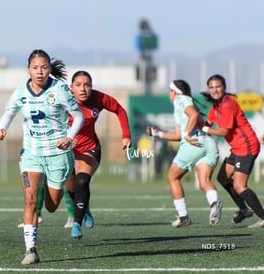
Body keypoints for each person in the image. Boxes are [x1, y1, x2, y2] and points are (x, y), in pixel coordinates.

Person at [0, 49, 84, 264]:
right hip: (31, 154)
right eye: (35, 68)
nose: (40, 72)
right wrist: (2, 128)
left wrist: (70, 137)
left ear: (49, 69)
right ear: (29, 70)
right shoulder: (20, 92)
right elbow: (9, 111)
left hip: (57, 154)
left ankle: (61, 186)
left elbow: (78, 116)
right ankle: (31, 250)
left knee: (52, 206)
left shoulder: (60, 89)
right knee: (30, 199)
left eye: (44, 67)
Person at [65, 70, 132, 239]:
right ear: (71, 88)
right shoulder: (62, 99)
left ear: (91, 87)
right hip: (65, 149)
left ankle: (77, 224)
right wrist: (65, 137)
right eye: (78, 85)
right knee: (71, 188)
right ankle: (84, 207)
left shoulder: (98, 98)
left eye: (87, 85)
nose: (83, 89)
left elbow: (120, 110)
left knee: (82, 180)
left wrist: (126, 136)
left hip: (89, 147)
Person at [147, 80, 223, 228]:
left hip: (194, 144)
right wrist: (158, 134)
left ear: (174, 92)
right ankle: (214, 203)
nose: (169, 94)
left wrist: (187, 133)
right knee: (204, 182)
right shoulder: (182, 105)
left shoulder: (180, 100)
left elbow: (193, 115)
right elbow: (177, 135)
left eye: (169, 91)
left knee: (172, 177)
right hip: (208, 144)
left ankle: (183, 216)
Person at [201, 74, 264, 228]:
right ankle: (244, 210)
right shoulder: (216, 106)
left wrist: (204, 128)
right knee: (222, 177)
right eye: (212, 87)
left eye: (218, 86)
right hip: (237, 147)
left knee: (239, 186)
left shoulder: (228, 104)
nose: (215, 90)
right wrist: (194, 123)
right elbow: (206, 122)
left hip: (247, 146)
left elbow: (223, 131)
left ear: (224, 87)